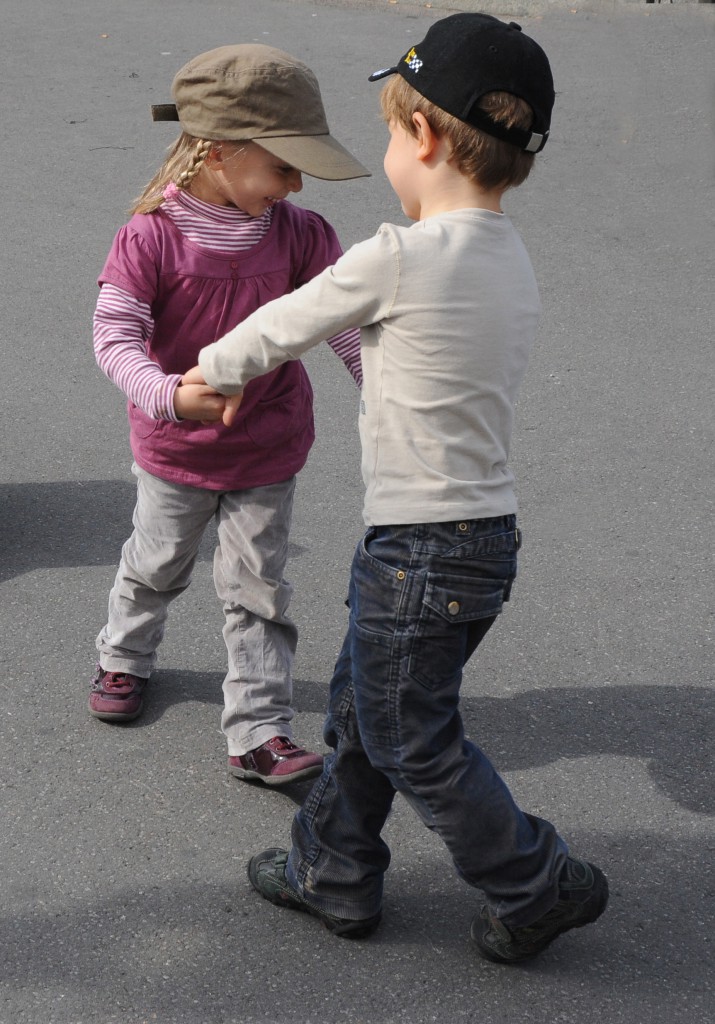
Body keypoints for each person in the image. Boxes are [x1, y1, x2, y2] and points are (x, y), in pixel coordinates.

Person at [185, 14, 609, 963]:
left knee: (410, 735)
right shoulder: (510, 259)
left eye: (389, 130)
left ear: (420, 137)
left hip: (415, 550)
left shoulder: (400, 255)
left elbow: (285, 320)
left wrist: (210, 369)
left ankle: (531, 879)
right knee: (365, 712)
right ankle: (332, 869)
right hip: (480, 542)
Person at [89, 44, 370, 787]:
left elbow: (340, 323)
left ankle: (258, 730)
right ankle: (124, 654)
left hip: (267, 448)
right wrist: (168, 394)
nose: (297, 182)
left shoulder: (302, 235)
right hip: (175, 451)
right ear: (218, 155)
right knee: (156, 566)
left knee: (258, 590)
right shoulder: (150, 237)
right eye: (283, 165)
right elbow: (113, 336)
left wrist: (381, 386)